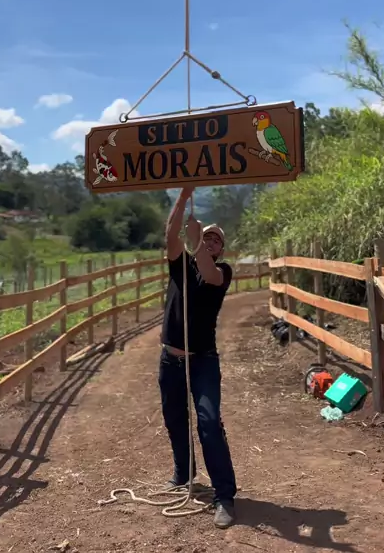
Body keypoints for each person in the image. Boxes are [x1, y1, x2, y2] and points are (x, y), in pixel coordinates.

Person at [159, 185, 237, 529]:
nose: (211, 242)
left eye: (216, 240)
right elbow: (170, 237)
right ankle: (183, 472)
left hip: (203, 360)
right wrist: (183, 196)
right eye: (207, 236)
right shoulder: (180, 266)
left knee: (208, 421)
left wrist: (197, 244)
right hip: (170, 360)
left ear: (222, 250)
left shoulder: (222, 272)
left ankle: (225, 495)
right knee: (174, 418)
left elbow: (208, 272)